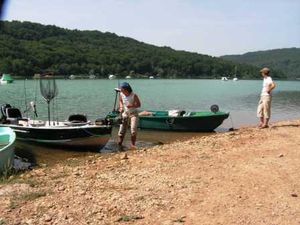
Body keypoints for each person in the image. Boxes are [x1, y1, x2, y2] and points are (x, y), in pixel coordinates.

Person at [117, 82, 141, 149]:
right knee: (121, 130)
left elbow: (139, 105)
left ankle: (133, 145)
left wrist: (132, 105)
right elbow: (121, 101)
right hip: (125, 113)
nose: (121, 90)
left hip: (134, 114)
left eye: (122, 89)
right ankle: (120, 144)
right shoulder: (121, 94)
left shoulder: (134, 95)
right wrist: (121, 107)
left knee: (133, 130)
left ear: (126, 89)